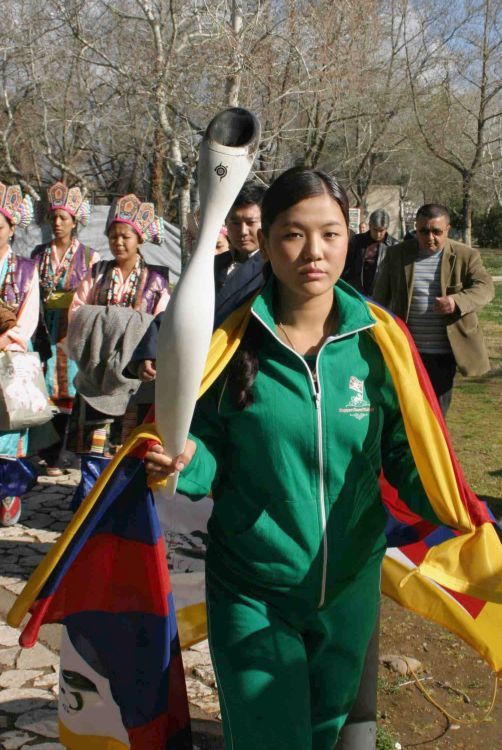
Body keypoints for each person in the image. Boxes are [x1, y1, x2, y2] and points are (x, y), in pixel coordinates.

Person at [144, 167, 444, 750]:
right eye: (293, 234)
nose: (314, 252)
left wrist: (459, 510)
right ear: (267, 242)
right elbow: (206, 456)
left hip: (350, 588)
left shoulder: (382, 345)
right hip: (255, 590)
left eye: (330, 234)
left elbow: (408, 459)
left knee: (327, 733)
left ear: (350, 237)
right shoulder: (228, 347)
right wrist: (182, 462)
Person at [128, 182, 267, 382]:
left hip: (245, 372)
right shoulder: (208, 266)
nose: (243, 231)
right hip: (194, 370)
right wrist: (149, 350)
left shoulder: (273, 268)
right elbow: (180, 311)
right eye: (235, 222)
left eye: (251, 222)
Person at [66, 194, 169, 458]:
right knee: (94, 452)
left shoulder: (156, 281)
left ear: (140, 239)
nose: (119, 242)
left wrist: (141, 347)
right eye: (113, 236)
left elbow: (160, 323)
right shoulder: (96, 273)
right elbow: (77, 314)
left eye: (126, 236)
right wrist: (121, 322)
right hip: (96, 370)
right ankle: (91, 497)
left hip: (133, 374)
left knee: (128, 452)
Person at [373, 203, 494, 415]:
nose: (430, 237)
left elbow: (485, 288)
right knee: (404, 413)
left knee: (436, 415)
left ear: (447, 229)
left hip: (443, 354)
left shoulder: (466, 256)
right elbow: (380, 300)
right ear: (415, 229)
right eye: (423, 231)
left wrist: (457, 301)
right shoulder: (397, 255)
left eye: (436, 231)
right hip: (407, 351)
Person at [31, 182, 99, 476]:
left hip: (73, 332)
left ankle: (65, 454)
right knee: (44, 390)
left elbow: (93, 294)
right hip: (44, 329)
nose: (57, 223)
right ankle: (47, 452)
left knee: (70, 391)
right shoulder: (38, 253)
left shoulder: (88, 256)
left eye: (64, 218)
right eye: (54, 217)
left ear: (75, 221)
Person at [0, 184, 39, 526]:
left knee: (7, 431)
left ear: (12, 228)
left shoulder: (26, 270)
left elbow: (27, 323)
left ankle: (7, 493)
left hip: (7, 361)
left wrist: (6, 341)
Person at [342, 208, 398, 296]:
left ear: (386, 229)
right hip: (356, 292)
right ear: (370, 225)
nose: (378, 234)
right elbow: (345, 266)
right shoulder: (357, 241)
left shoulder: (394, 246)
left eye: (381, 231)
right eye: (375, 230)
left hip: (381, 296)